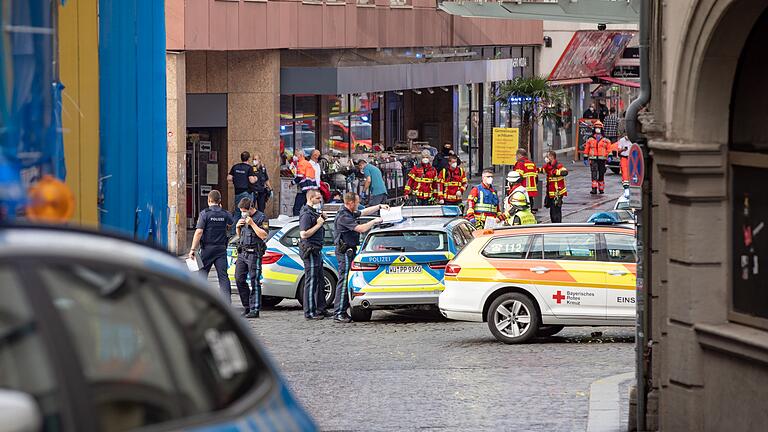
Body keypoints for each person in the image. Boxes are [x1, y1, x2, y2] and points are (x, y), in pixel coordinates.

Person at [333, 193, 387, 323]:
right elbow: (361, 229)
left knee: (346, 280)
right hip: (345, 252)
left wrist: (379, 206)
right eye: (356, 202)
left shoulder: (348, 212)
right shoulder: (344, 216)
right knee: (344, 281)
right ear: (350, 203)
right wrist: (374, 221)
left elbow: (362, 212)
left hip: (349, 251)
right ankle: (339, 312)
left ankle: (342, 310)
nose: (358, 205)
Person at [189, 190, 235, 303]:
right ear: (220, 201)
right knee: (223, 277)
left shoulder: (205, 213)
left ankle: (198, 301)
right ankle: (227, 303)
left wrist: (193, 249)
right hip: (221, 249)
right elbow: (231, 223)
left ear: (209, 200)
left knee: (202, 275)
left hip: (207, 249)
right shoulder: (225, 213)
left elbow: (199, 232)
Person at [299, 190, 331, 320]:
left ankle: (321, 309)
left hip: (317, 249)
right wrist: (318, 224)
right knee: (311, 282)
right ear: (311, 198)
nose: (320, 201)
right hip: (310, 250)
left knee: (320, 281)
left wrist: (321, 219)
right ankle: (309, 312)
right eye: (318, 198)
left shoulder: (314, 212)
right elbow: (304, 234)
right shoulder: (306, 214)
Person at [234, 197, 268, 318]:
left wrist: (252, 224)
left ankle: (255, 308)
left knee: (254, 281)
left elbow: (264, 235)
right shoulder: (243, 218)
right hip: (242, 253)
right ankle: (247, 306)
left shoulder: (261, 217)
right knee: (239, 279)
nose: (242, 213)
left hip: (254, 253)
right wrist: (238, 227)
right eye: (241, 211)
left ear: (251, 208)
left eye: (244, 210)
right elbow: (240, 236)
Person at [583, 121, 611, 194]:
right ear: (594, 129)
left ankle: (601, 189)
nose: (597, 129)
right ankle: (594, 189)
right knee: (594, 173)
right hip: (593, 159)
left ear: (601, 129)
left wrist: (610, 156)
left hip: (602, 159)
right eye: (596, 128)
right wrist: (585, 158)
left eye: (599, 128)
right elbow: (587, 149)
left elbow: (609, 149)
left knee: (601, 174)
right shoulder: (590, 139)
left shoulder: (606, 139)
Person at [228, 151, 257, 221]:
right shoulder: (249, 168)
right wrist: (256, 178)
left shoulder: (235, 167)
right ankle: (246, 229)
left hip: (237, 192)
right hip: (247, 192)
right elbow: (251, 180)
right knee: (247, 212)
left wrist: (237, 178)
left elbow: (229, 178)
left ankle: (233, 231)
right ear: (249, 158)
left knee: (237, 212)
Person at [541, 151, 568, 223]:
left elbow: (565, 172)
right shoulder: (548, 165)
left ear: (552, 157)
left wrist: (554, 172)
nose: (546, 158)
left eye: (548, 156)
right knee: (552, 210)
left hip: (557, 193)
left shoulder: (558, 165)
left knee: (556, 210)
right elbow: (542, 170)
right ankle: (554, 224)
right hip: (551, 193)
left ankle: (557, 225)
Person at [292, 152, 317, 216]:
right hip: (310, 188)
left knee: (296, 208)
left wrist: (292, 182)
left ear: (300, 155)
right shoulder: (308, 163)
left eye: (296, 155)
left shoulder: (301, 163)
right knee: (308, 207)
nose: (294, 157)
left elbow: (300, 176)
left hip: (303, 189)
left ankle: (296, 222)